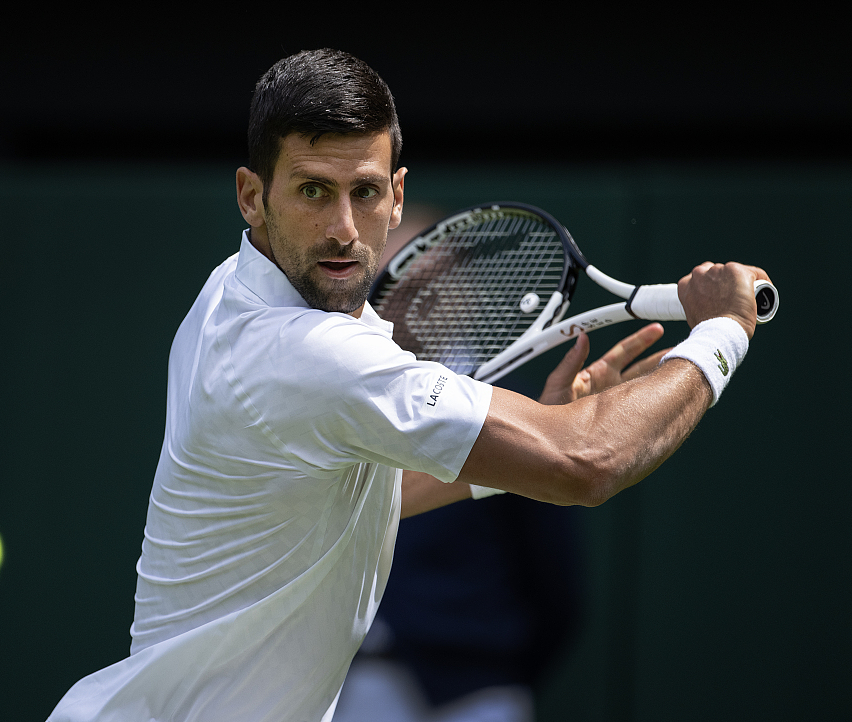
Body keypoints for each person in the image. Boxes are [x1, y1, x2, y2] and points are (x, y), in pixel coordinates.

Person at [47, 48, 770, 722]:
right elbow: (587, 462)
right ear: (251, 196)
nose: (342, 227)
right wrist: (723, 332)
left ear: (397, 196)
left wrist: (515, 448)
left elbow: (367, 494)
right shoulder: (305, 353)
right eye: (311, 191)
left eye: (363, 192)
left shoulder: (233, 290)